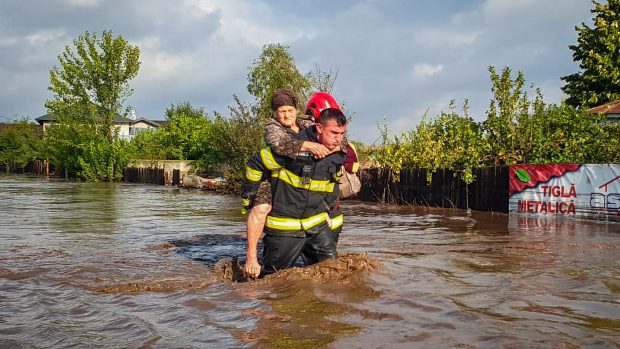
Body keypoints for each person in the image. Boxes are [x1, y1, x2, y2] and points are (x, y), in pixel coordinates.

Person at [242, 108, 348, 278]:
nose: (339, 139)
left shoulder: (337, 153)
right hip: (285, 226)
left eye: (342, 133)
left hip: (316, 225)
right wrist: (251, 196)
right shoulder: (291, 147)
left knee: (333, 275)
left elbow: (332, 182)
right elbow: (255, 163)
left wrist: (326, 208)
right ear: (319, 128)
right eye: (334, 133)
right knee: (273, 282)